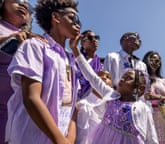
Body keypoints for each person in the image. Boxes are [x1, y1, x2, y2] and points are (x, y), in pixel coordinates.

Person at [5, 0, 81, 143]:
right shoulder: (35, 46)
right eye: (73, 18)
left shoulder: (71, 60)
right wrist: (60, 140)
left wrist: (69, 139)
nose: (78, 24)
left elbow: (72, 106)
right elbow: (32, 98)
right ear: (56, 17)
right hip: (29, 138)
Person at [70, 37, 158, 144]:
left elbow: (151, 137)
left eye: (128, 78)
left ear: (140, 89)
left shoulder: (143, 108)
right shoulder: (111, 95)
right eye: (123, 76)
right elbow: (91, 75)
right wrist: (75, 50)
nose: (122, 79)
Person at [0, 0, 33, 143]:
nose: (24, 5)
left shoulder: (30, 39)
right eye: (18, 0)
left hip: (15, 116)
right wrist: (9, 39)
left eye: (27, 4)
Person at [143, 51, 165, 144]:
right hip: (147, 114)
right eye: (152, 60)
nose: (156, 63)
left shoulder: (164, 80)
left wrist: (156, 97)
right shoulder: (142, 77)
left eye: (158, 61)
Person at [76, 70, 112, 144]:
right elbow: (81, 139)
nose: (104, 78)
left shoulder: (111, 111)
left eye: (108, 77)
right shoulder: (83, 105)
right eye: (99, 76)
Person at [77, 29, 103, 100]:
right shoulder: (73, 59)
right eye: (90, 38)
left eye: (96, 37)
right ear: (82, 43)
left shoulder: (101, 66)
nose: (95, 40)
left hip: (93, 103)